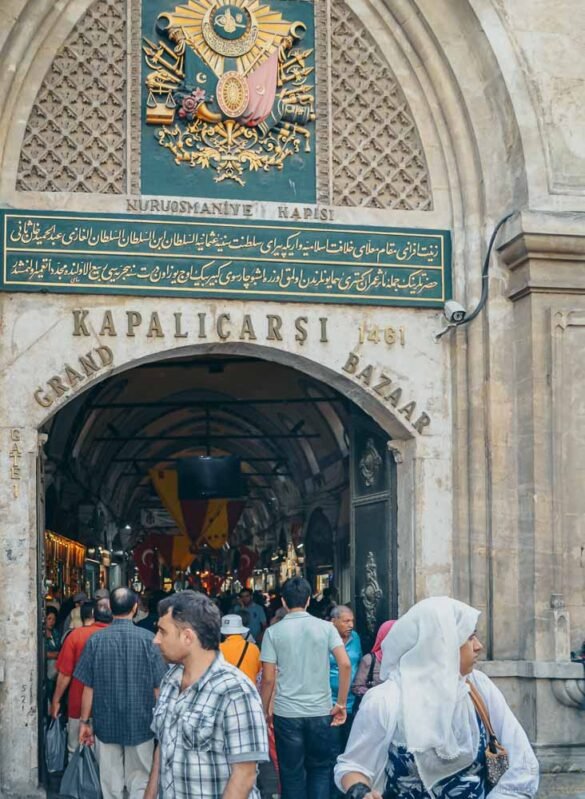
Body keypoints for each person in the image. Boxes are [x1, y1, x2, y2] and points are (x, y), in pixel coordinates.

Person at [335, 597, 540, 799]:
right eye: (469, 638)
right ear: (440, 644)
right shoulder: (385, 700)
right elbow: (353, 766)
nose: (478, 646)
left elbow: (522, 764)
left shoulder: (479, 687)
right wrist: (360, 792)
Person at [144, 591, 269, 799]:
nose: (156, 640)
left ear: (187, 637)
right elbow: (162, 749)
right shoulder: (170, 681)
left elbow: (244, 776)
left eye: (162, 632)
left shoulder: (235, 691)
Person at [260, 576, 351, 799]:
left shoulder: (273, 633)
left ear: (283, 601)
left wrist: (264, 710)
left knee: (291, 775)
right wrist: (340, 703)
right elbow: (345, 664)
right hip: (320, 711)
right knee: (320, 771)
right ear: (309, 600)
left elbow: (269, 678)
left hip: (286, 714)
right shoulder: (326, 628)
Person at [75, 586, 167, 799]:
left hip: (105, 721)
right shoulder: (149, 640)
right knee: (141, 779)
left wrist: (84, 722)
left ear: (110, 608)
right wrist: (164, 723)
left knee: (110, 780)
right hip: (142, 722)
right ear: (135, 607)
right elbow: (158, 688)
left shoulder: (96, 641)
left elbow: (88, 686)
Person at [50, 599, 111, 754]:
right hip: (109, 706)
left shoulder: (75, 636)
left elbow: (65, 674)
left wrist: (56, 701)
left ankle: (77, 779)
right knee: (106, 757)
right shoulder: (114, 635)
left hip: (77, 703)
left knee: (75, 751)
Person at [351, 621, 396, 702]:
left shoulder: (404, 659)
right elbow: (357, 687)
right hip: (375, 708)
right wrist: (371, 693)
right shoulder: (369, 660)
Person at [220, 614, 262, 684]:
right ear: (241, 630)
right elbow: (260, 673)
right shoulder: (254, 648)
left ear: (224, 633)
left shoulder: (217, 650)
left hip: (227, 692)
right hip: (249, 692)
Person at [44, 606, 61, 702]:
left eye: (54, 619)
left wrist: (53, 654)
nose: (52, 622)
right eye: (49, 619)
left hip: (56, 669)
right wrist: (55, 654)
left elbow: (61, 650)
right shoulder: (41, 635)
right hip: (45, 670)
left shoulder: (55, 633)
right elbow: (43, 654)